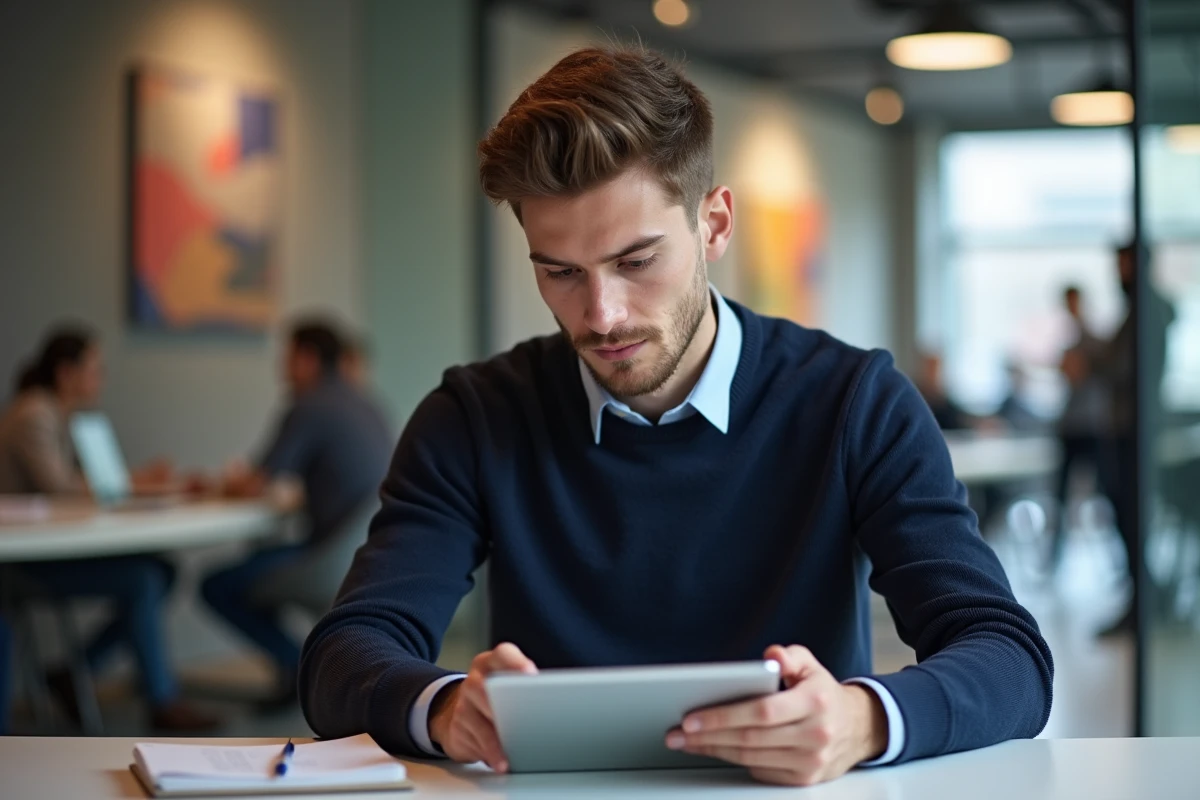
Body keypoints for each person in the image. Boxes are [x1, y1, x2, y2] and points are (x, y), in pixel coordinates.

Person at [298, 47, 1053, 787]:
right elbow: (346, 654)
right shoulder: (473, 417)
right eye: (559, 272)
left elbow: (1008, 655)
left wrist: (863, 720)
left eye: (636, 261)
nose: (601, 315)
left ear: (715, 225)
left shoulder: (854, 402)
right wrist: (443, 707)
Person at [0, 326, 218, 731]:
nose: (101, 378)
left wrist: (144, 481)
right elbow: (61, 486)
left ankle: (75, 672)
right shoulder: (34, 413)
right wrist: (134, 483)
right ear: (67, 372)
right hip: (21, 562)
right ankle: (158, 699)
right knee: (143, 579)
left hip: (49, 549)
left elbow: (89, 482)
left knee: (160, 572)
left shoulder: (61, 415)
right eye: (95, 368)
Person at [201, 319, 393, 708]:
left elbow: (257, 482)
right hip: (372, 553)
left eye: (286, 358)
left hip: (328, 560)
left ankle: (298, 666)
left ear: (306, 359)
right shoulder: (365, 402)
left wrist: (213, 484)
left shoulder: (309, 404)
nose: (281, 368)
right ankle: (296, 670)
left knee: (217, 586)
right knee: (257, 562)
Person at [1091, 245, 1176, 636]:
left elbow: (1122, 367)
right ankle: (1146, 597)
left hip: (1134, 431)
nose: (1117, 272)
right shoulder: (1144, 310)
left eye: (1121, 263)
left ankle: (1146, 603)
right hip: (1130, 428)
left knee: (1132, 518)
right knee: (1127, 520)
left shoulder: (1147, 311)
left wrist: (1092, 362)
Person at [1049, 286, 1109, 573]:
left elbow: (1080, 374)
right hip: (1071, 427)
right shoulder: (1073, 341)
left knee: (1108, 493)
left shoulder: (1094, 341)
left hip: (1090, 427)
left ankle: (1118, 561)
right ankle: (1054, 560)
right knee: (1060, 496)